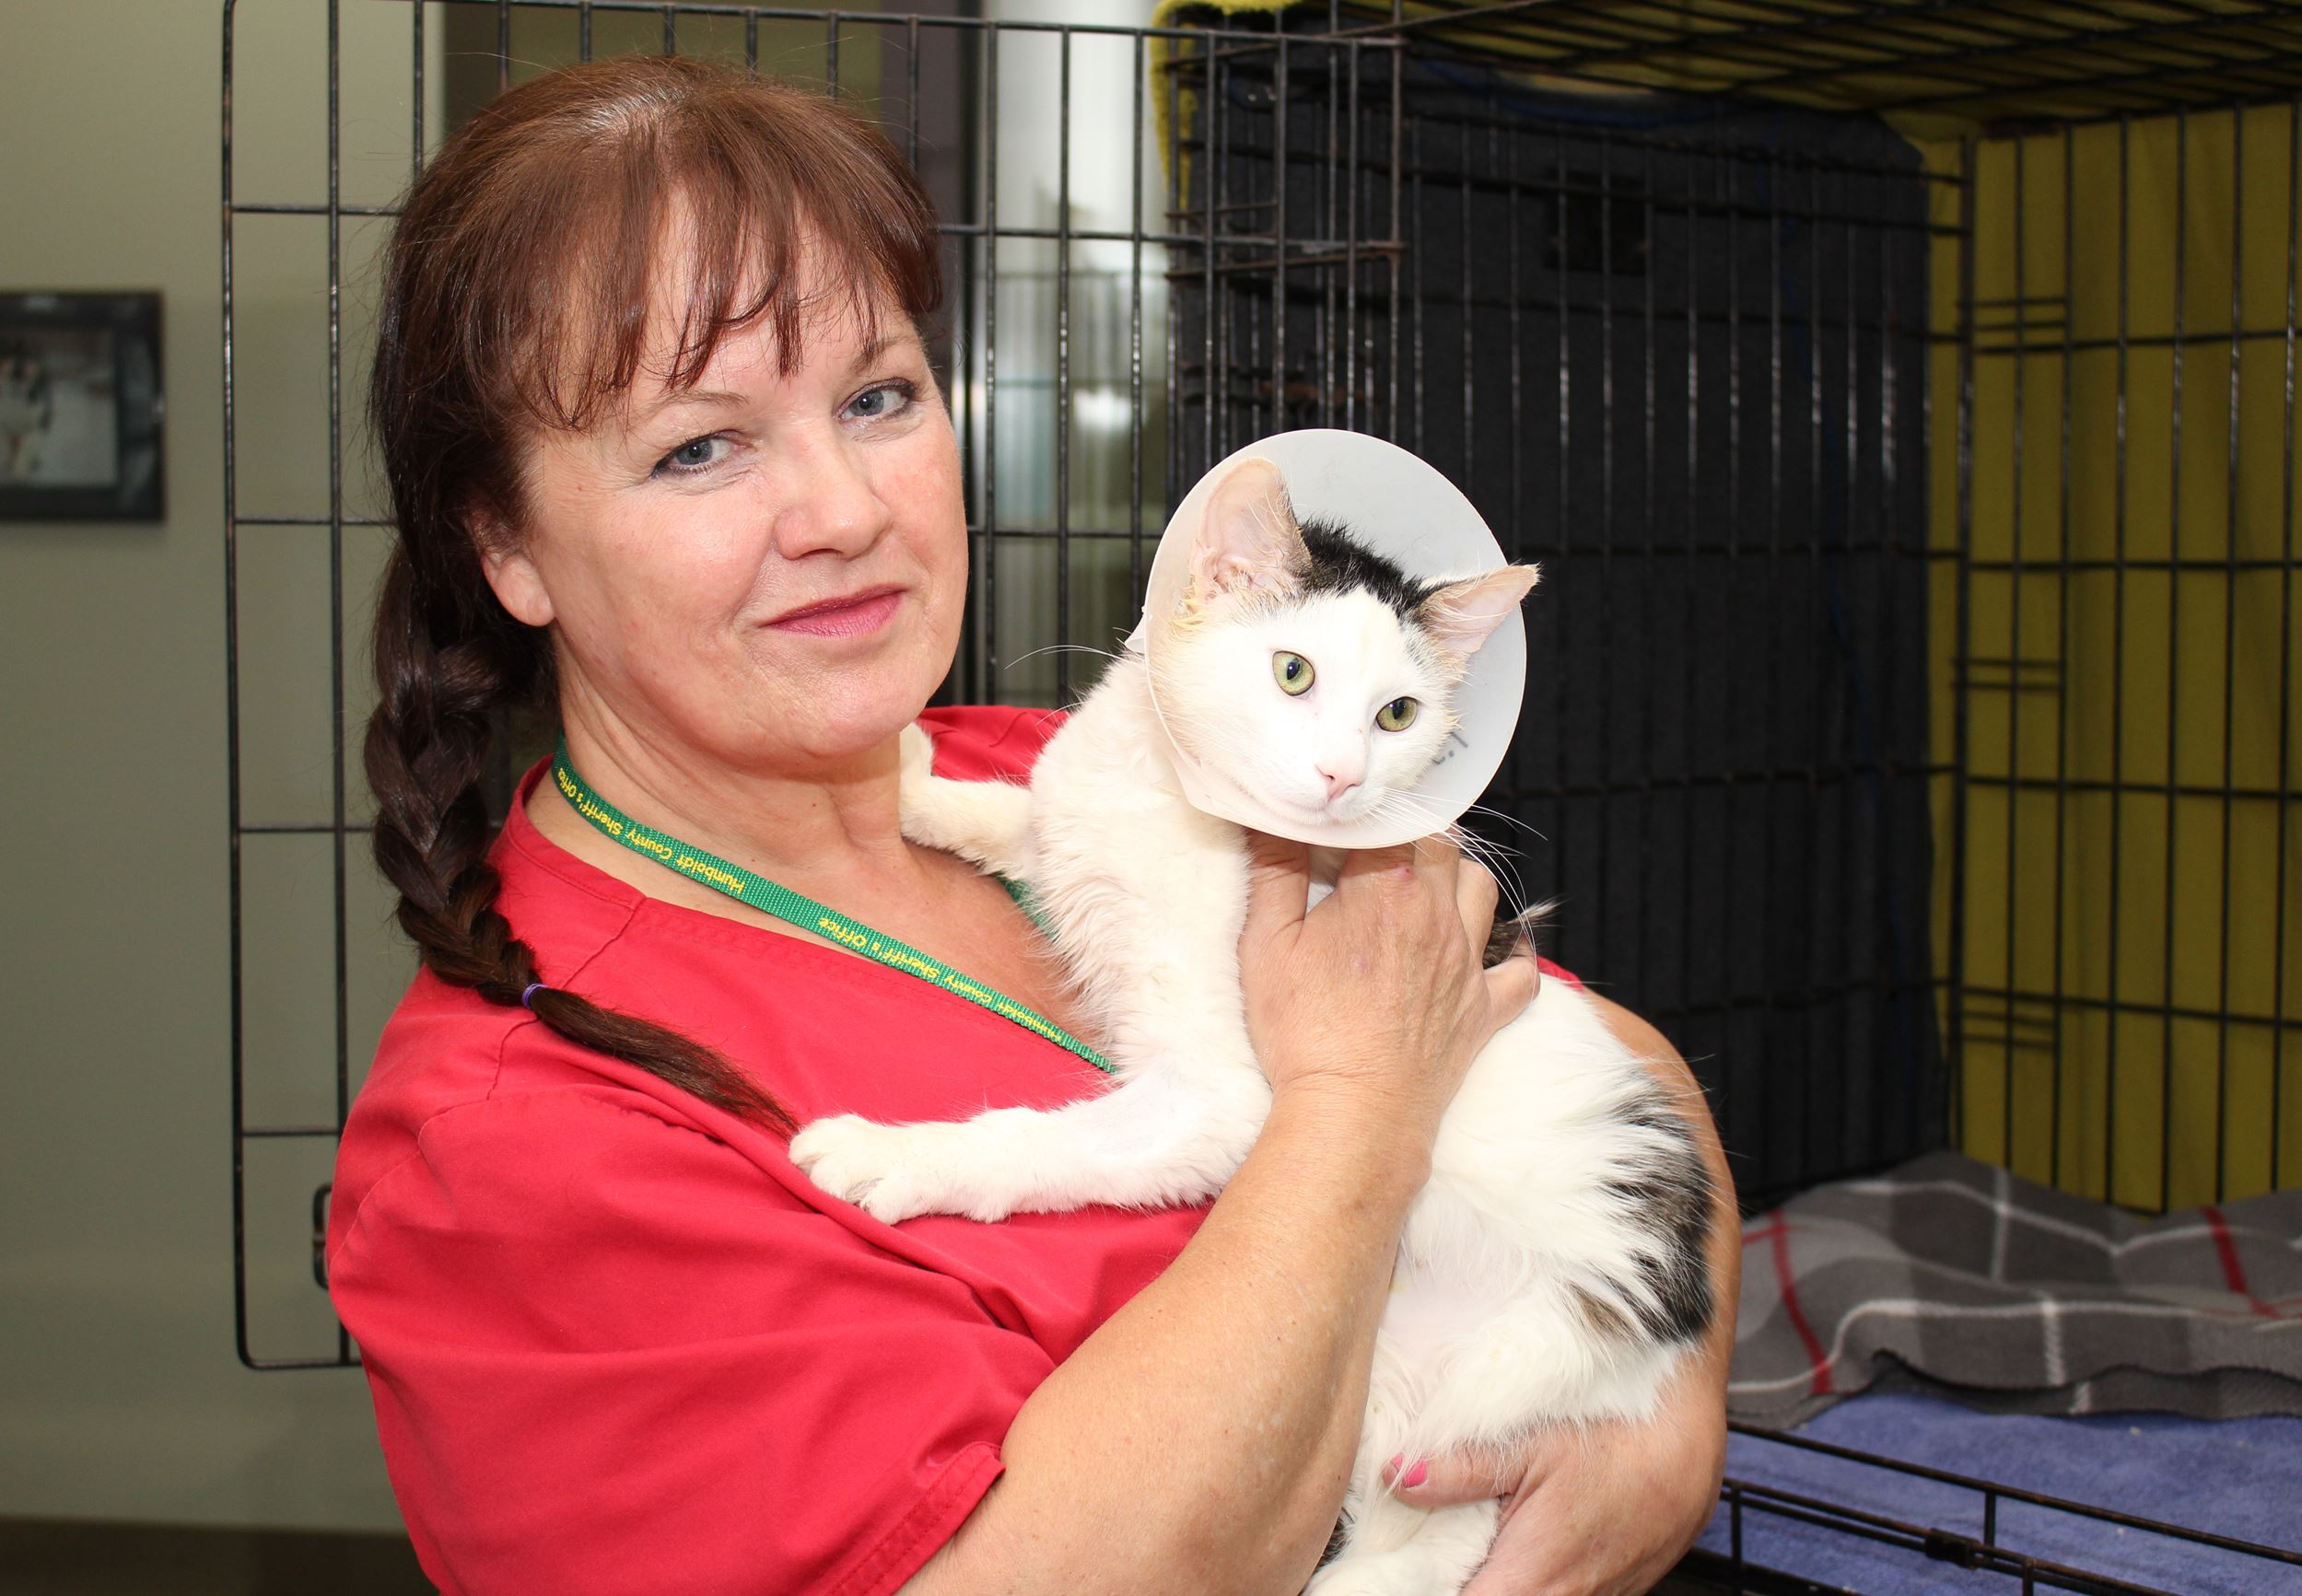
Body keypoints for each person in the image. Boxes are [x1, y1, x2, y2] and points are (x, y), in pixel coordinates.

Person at [327, 53, 1739, 1596]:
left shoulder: (1073, 764)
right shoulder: (516, 1147)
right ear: (510, 549)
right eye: (700, 446)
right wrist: (1354, 1116)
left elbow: (1620, 1079)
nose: (843, 510)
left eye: (877, 397)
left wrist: (1665, 1421)